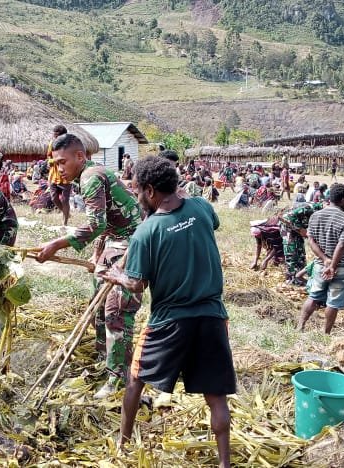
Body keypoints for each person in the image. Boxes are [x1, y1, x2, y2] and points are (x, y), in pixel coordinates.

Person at [96, 156, 234, 468]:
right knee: (216, 396)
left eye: (137, 191)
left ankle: (123, 444)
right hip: (213, 316)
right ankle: (224, 464)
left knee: (134, 379)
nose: (136, 197)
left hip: (169, 322)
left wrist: (114, 274)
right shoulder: (200, 207)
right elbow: (213, 222)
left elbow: (136, 285)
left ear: (150, 190)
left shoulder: (147, 232)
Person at [35, 133, 142, 399]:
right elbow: (105, 224)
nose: (59, 169)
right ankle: (103, 358)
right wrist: (97, 255)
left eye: (62, 162)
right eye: (55, 164)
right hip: (116, 241)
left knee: (116, 310)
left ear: (80, 157)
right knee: (97, 298)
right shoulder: (88, 176)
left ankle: (118, 378)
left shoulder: (91, 176)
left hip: (133, 243)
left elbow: (97, 225)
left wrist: (57, 245)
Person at [298, 184, 344, 334]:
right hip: (341, 266)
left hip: (319, 265)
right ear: (342, 200)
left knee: (314, 296)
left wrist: (325, 260)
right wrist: (333, 266)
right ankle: (326, 333)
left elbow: (311, 241)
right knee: (333, 302)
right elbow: (341, 245)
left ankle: (300, 326)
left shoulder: (315, 215)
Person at [280, 201, 323, 285]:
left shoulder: (324, 213)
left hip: (298, 227)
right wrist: (300, 230)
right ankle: (291, 279)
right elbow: (286, 217)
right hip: (287, 227)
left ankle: (299, 276)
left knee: (300, 251)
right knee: (291, 251)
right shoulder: (311, 208)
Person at [46, 125, 72, 226]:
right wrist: (53, 160)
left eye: (56, 136)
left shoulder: (70, 146)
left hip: (66, 176)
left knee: (65, 200)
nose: (54, 138)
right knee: (54, 198)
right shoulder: (51, 144)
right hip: (53, 175)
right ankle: (66, 213)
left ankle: (65, 222)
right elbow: (48, 158)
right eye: (54, 136)